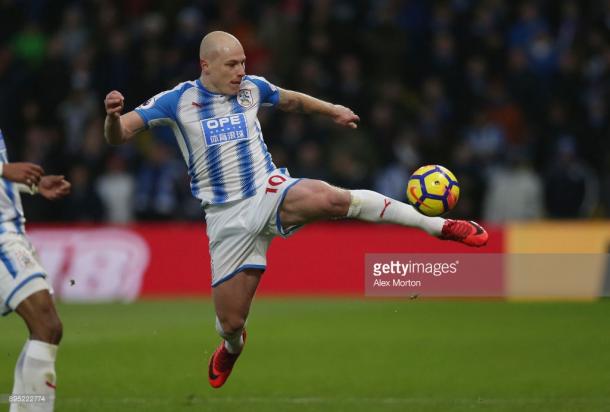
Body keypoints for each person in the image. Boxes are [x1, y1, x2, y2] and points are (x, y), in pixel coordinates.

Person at [103, 31, 488, 389]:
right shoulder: (176, 101)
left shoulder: (252, 89)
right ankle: (232, 348)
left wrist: (332, 109)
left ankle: (439, 226)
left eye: (243, 63)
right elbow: (120, 136)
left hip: (269, 190)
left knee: (335, 199)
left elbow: (291, 100)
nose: (241, 71)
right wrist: (112, 117)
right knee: (230, 322)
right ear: (205, 65)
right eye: (232, 65)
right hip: (225, 218)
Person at [0, 129, 71, 411]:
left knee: (46, 326)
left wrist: (33, 184)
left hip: (11, 231)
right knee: (46, 324)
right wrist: (4, 169)